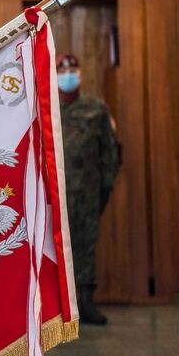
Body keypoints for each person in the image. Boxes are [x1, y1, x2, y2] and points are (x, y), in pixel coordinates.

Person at [57, 53, 119, 325]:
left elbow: (110, 152)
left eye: (72, 70)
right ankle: (58, 308)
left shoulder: (96, 109)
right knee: (56, 249)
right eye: (62, 71)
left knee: (85, 246)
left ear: (80, 74)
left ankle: (85, 303)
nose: (68, 75)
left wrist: (106, 185)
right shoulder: (46, 107)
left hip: (88, 192)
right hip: (55, 194)